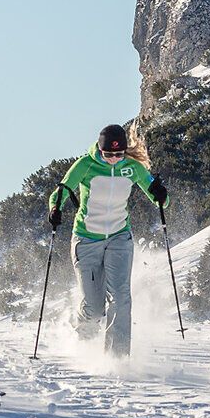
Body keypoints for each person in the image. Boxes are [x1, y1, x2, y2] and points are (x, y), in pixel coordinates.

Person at [48, 124, 166, 358]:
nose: (113, 159)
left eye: (119, 154)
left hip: (119, 238)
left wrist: (161, 195)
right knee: (94, 308)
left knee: (121, 299)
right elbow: (61, 191)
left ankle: (117, 359)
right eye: (108, 154)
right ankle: (81, 339)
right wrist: (55, 208)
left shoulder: (133, 168)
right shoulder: (85, 165)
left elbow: (159, 199)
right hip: (86, 239)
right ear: (99, 150)